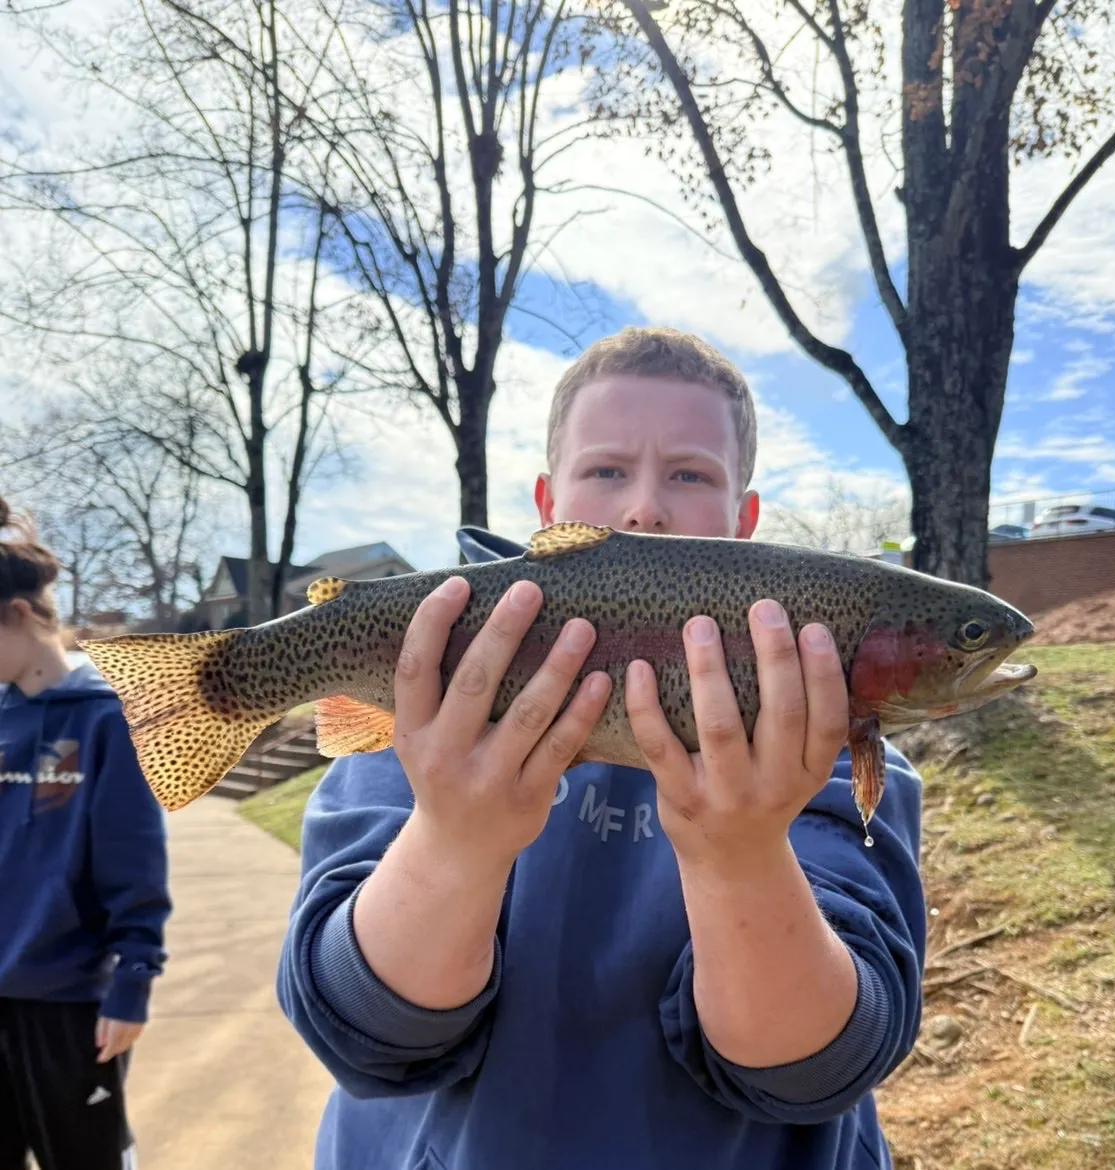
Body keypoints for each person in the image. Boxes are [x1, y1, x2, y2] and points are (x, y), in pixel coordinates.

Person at [277, 327, 927, 1170]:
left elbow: (820, 1074)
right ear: (548, 504)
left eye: (690, 475)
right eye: (606, 470)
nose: (644, 507)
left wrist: (743, 858)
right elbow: (356, 1035)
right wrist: (454, 842)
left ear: (746, 518)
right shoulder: (433, 698)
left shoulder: (827, 745)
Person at [0, 498, 171, 1170]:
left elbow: (134, 868)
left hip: (71, 1006)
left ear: (17, 616)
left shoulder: (105, 722)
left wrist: (133, 980)